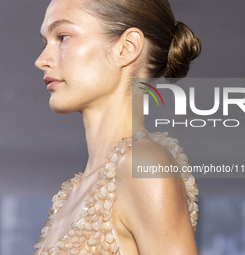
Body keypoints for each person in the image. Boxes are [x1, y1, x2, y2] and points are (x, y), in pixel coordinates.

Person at [33, 0, 201, 254]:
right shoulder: (73, 193)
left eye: (63, 37)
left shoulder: (142, 164)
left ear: (127, 48)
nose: (42, 60)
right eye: (46, 43)